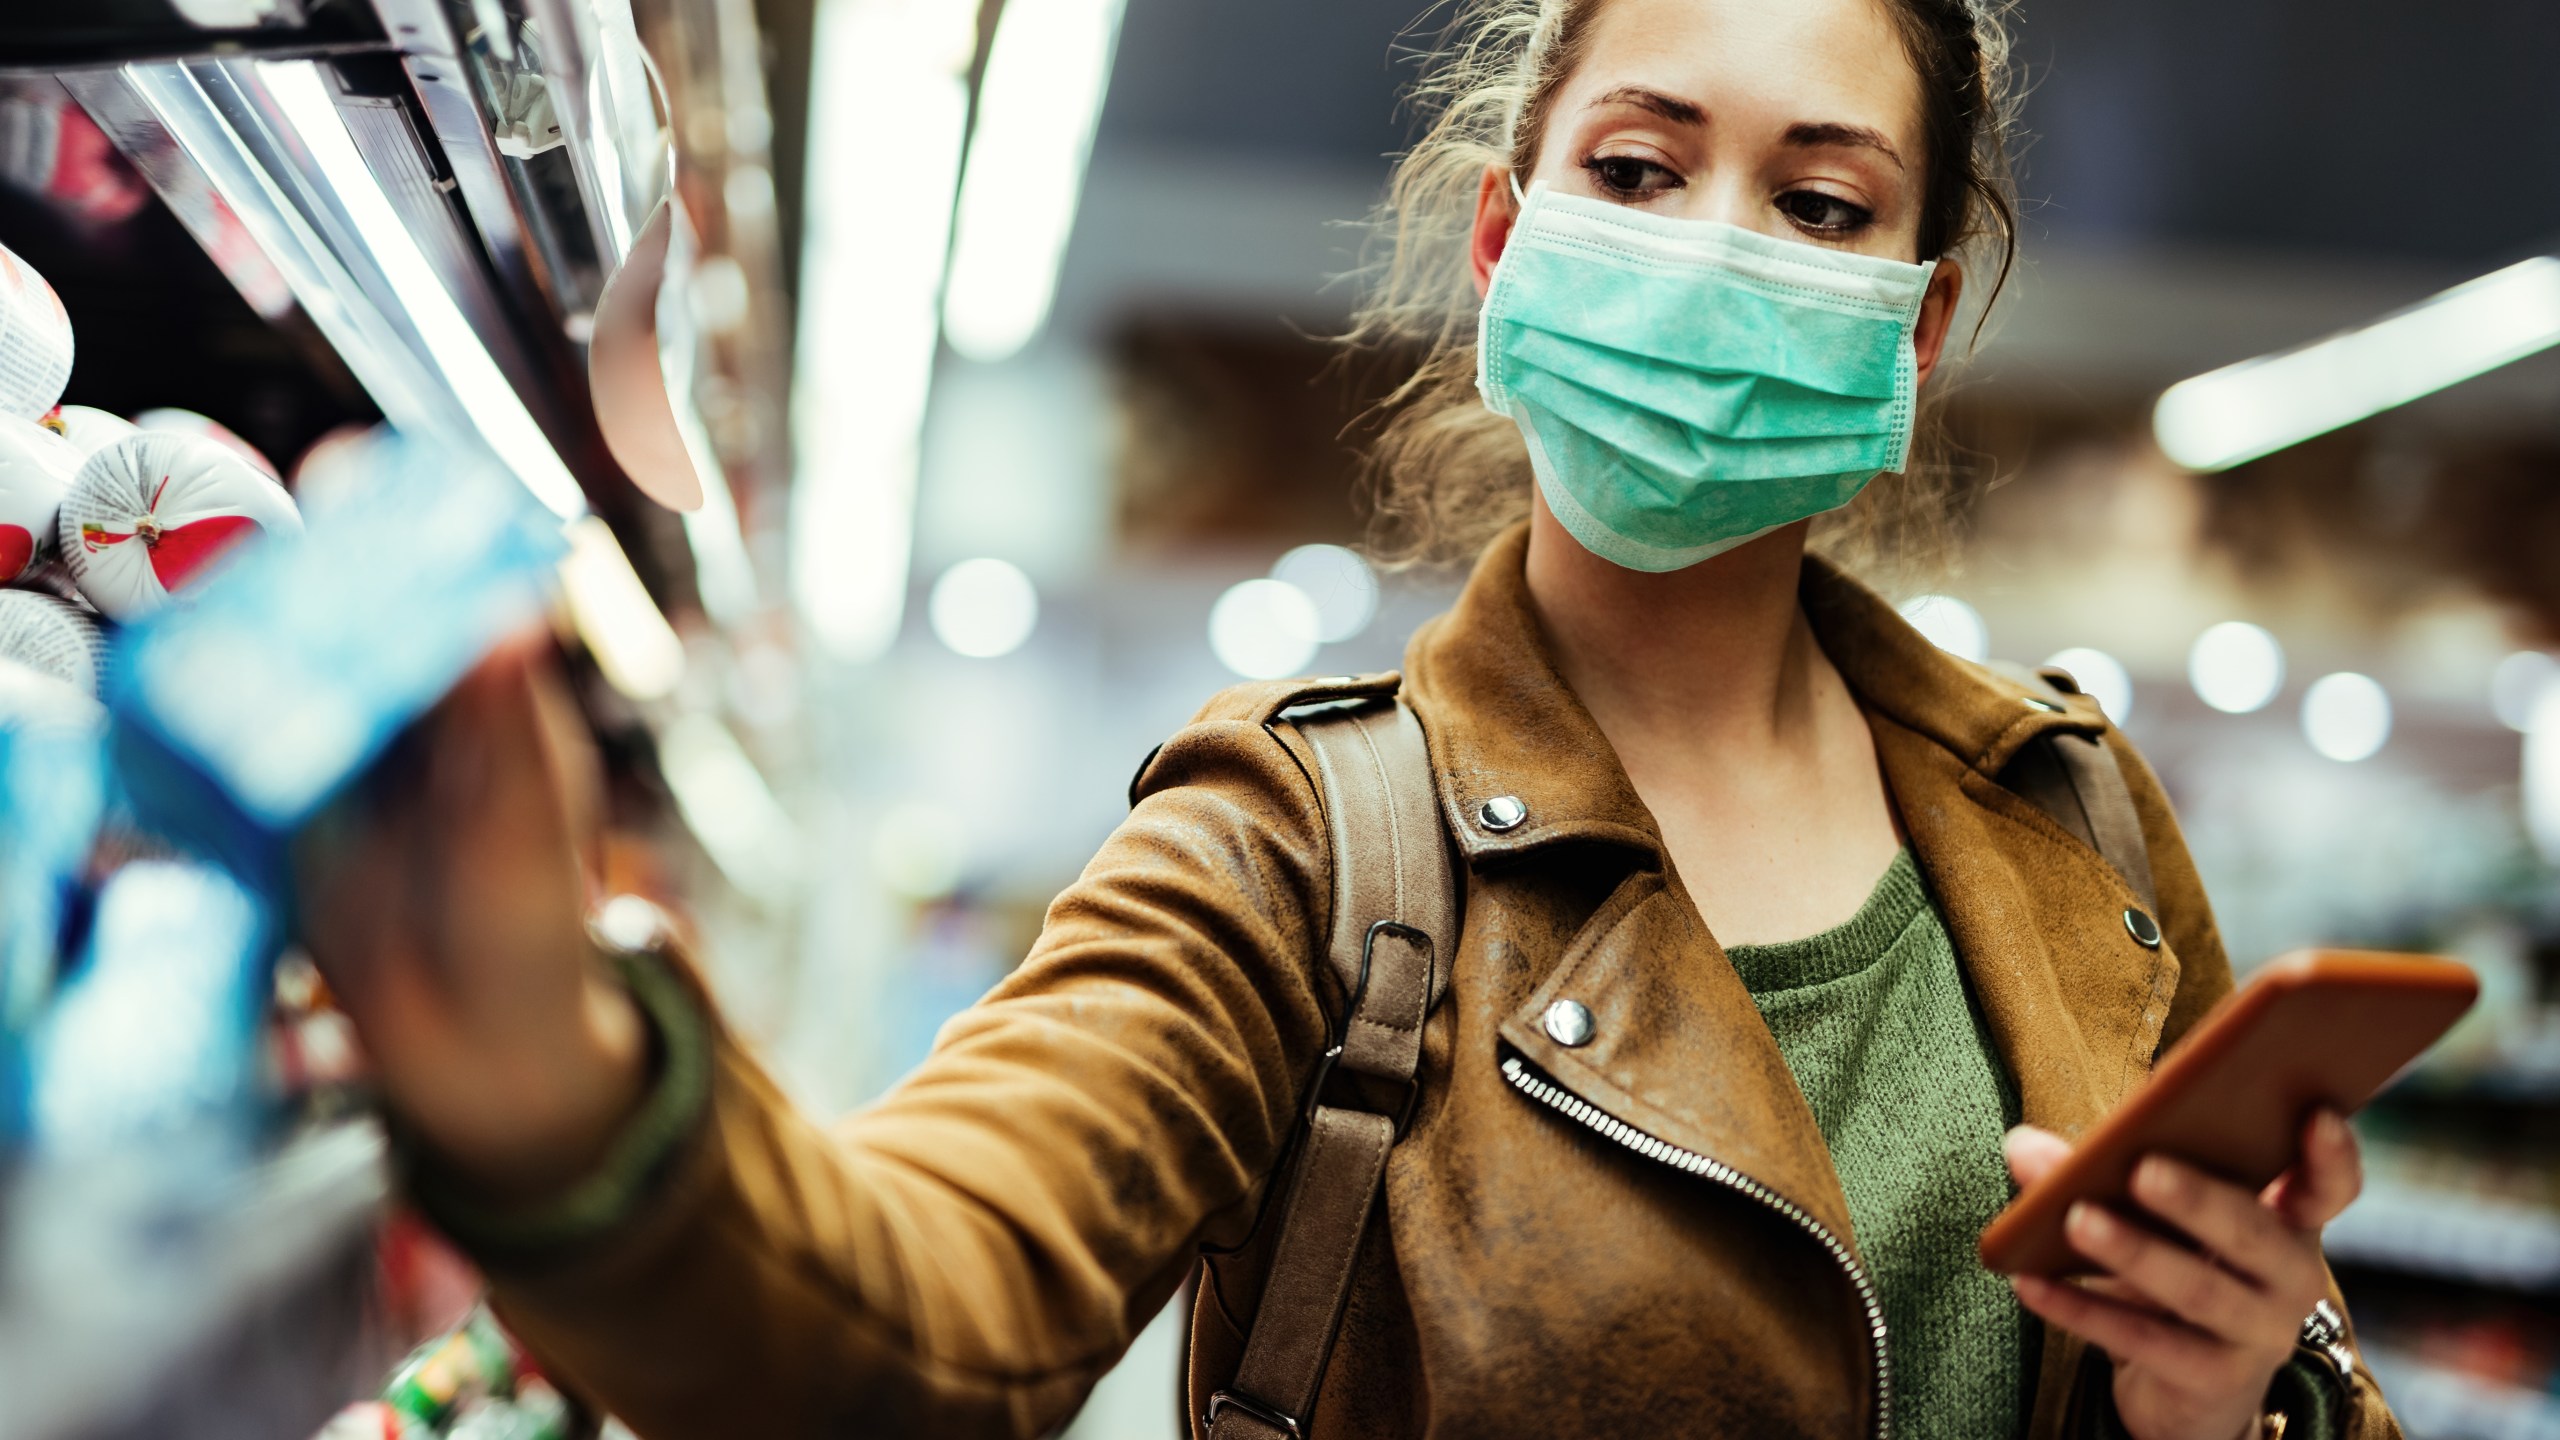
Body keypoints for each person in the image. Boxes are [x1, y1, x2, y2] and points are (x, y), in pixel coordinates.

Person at [297, 0, 2401, 1436]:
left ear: (1916, 326)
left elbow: (2311, 1368)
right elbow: (926, 1312)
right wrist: (573, 1103)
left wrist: (2225, 1405)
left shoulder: (2072, 818)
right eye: (1641, 167)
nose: (1711, 255)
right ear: (1504, 245)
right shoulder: (1302, 839)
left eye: (1821, 206)